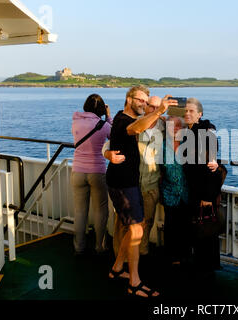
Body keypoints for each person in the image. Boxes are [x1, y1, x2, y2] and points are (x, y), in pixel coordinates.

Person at [105, 85, 177, 297]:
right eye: (141, 101)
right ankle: (134, 282)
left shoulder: (129, 119)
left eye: (148, 102)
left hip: (134, 182)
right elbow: (135, 130)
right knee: (136, 230)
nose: (144, 105)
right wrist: (158, 110)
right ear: (129, 99)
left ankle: (117, 269)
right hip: (122, 183)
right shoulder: (124, 120)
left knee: (137, 227)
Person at [104, 96, 164, 259]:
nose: (153, 109)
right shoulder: (133, 124)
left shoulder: (164, 127)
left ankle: (141, 256)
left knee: (147, 222)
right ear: (145, 107)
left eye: (157, 107)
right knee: (123, 224)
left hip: (151, 184)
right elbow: (109, 143)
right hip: (130, 184)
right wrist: (107, 154)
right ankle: (120, 259)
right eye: (150, 106)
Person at [182, 98, 223, 274]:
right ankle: (201, 265)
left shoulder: (206, 131)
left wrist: (208, 197)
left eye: (192, 111)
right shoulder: (187, 131)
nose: (187, 114)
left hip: (205, 191)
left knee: (206, 231)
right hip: (192, 189)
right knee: (198, 229)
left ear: (200, 114)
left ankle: (208, 268)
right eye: (185, 111)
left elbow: (212, 166)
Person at [71, 94, 112, 255]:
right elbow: (113, 135)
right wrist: (109, 117)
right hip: (97, 172)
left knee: (80, 212)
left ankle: (79, 247)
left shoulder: (75, 121)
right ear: (102, 109)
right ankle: (100, 246)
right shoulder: (103, 125)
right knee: (100, 211)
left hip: (77, 171)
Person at [160, 116, 190, 266]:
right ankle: (171, 258)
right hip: (169, 193)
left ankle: (185, 255)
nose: (176, 128)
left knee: (185, 227)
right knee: (171, 227)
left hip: (186, 194)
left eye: (179, 126)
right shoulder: (162, 146)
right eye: (172, 126)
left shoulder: (188, 145)